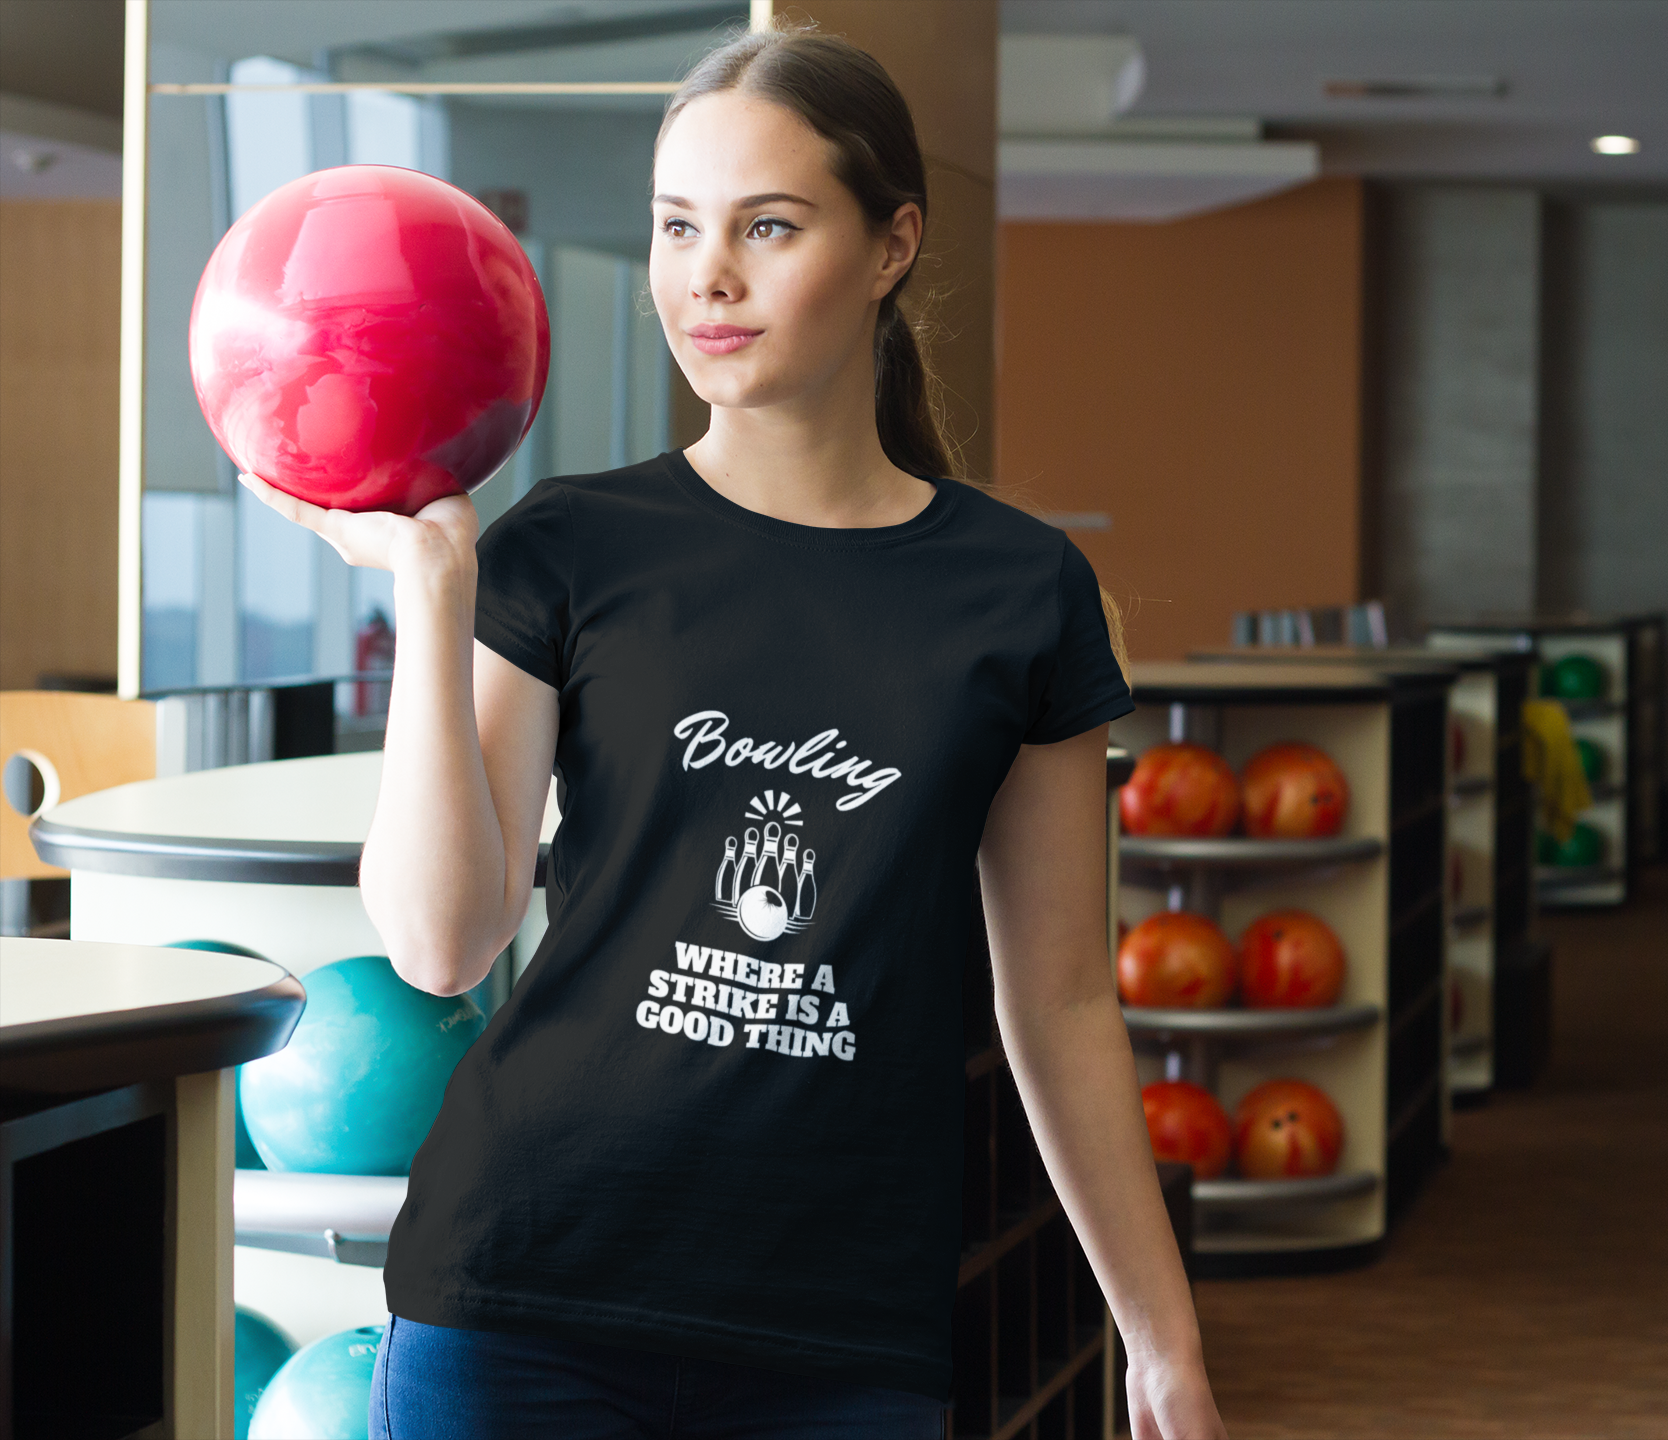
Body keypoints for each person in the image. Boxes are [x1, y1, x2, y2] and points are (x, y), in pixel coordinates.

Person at [243, 23, 1227, 1440]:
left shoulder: (1020, 594)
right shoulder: (569, 547)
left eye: (769, 226)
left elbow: (1063, 1001)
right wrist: (435, 584)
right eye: (677, 227)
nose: (707, 273)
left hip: (841, 1334)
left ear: (892, 246)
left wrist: (1164, 1340)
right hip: (525, 1298)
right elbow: (440, 944)